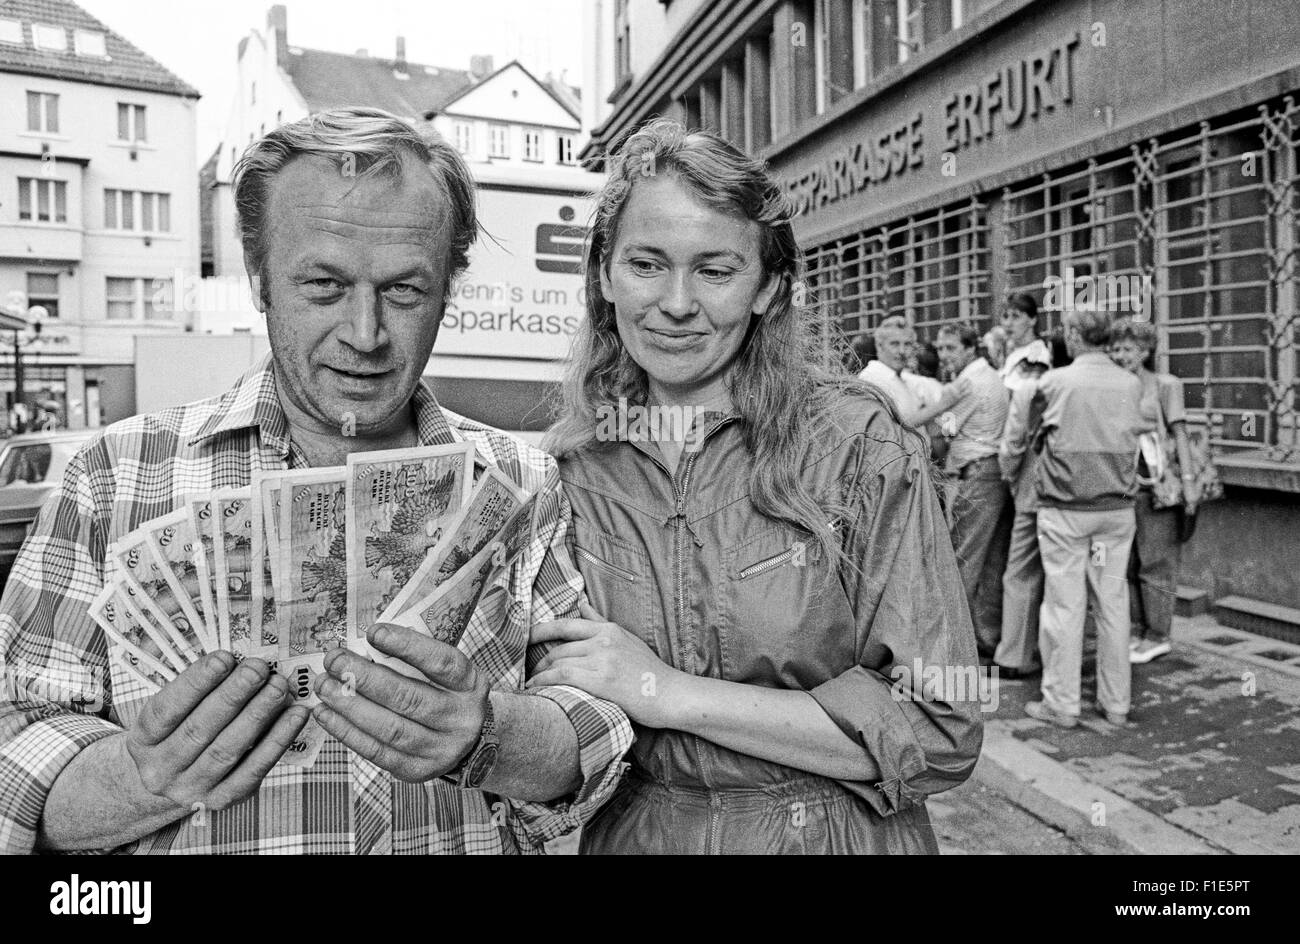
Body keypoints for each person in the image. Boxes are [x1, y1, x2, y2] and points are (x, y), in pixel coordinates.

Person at [0, 108, 632, 855]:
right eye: (325, 285)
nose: (365, 336)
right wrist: (144, 775)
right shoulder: (111, 476)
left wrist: (491, 736)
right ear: (259, 273)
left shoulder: (522, 483)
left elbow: (596, 728)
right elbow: (17, 755)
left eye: (404, 291)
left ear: (449, 288)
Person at [537, 119, 983, 854]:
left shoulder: (854, 444)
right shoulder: (574, 467)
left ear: (770, 289)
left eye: (716, 271)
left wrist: (666, 692)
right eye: (647, 264)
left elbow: (938, 723)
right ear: (601, 278)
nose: (677, 303)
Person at [1026, 308, 1155, 729]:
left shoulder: (1053, 382)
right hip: (1115, 514)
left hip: (1066, 512)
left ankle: (1062, 704)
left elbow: (1029, 439)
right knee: (1113, 605)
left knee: (1065, 605)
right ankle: (1116, 704)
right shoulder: (1131, 382)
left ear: (1077, 336)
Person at [1109, 318, 1199, 664]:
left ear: (1145, 351)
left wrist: (1189, 483)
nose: (1120, 355)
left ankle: (1158, 634)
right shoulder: (1113, 387)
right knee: (1129, 564)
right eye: (1115, 349)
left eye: (1128, 349)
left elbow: (1180, 433)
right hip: (1123, 485)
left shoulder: (1165, 384)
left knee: (1157, 563)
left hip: (1158, 487)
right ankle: (1137, 630)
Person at [934, 323, 1010, 659]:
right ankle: (984, 636)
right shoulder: (989, 375)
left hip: (974, 472)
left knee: (963, 558)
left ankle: (954, 644)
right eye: (940, 348)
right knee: (989, 561)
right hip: (991, 471)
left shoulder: (968, 382)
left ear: (969, 349)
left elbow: (945, 427)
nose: (944, 355)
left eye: (950, 348)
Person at [860, 316, 969, 429]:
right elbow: (894, 426)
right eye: (894, 344)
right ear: (879, 346)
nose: (902, 351)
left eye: (907, 344)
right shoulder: (872, 378)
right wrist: (942, 404)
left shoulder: (906, 379)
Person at [1000, 293, 1053, 391]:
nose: (1008, 323)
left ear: (1032, 320)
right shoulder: (1015, 353)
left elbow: (1024, 397)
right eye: (1006, 316)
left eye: (1016, 316)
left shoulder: (1037, 354)